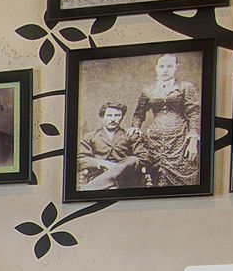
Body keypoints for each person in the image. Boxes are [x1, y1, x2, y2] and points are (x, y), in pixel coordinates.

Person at [132, 52, 202, 187]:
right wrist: (135, 129)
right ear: (156, 67)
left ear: (176, 67)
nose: (165, 70)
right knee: (153, 180)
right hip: (153, 140)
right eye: (162, 66)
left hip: (179, 139)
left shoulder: (186, 87)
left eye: (169, 66)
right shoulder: (148, 90)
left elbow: (194, 113)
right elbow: (138, 114)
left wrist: (193, 140)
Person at [77, 102, 142, 190]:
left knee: (134, 159)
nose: (113, 119)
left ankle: (88, 189)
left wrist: (121, 167)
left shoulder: (130, 135)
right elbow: (81, 160)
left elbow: (145, 157)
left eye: (117, 115)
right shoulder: (90, 136)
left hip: (124, 179)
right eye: (109, 115)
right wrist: (102, 163)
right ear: (102, 117)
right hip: (98, 177)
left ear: (122, 117)